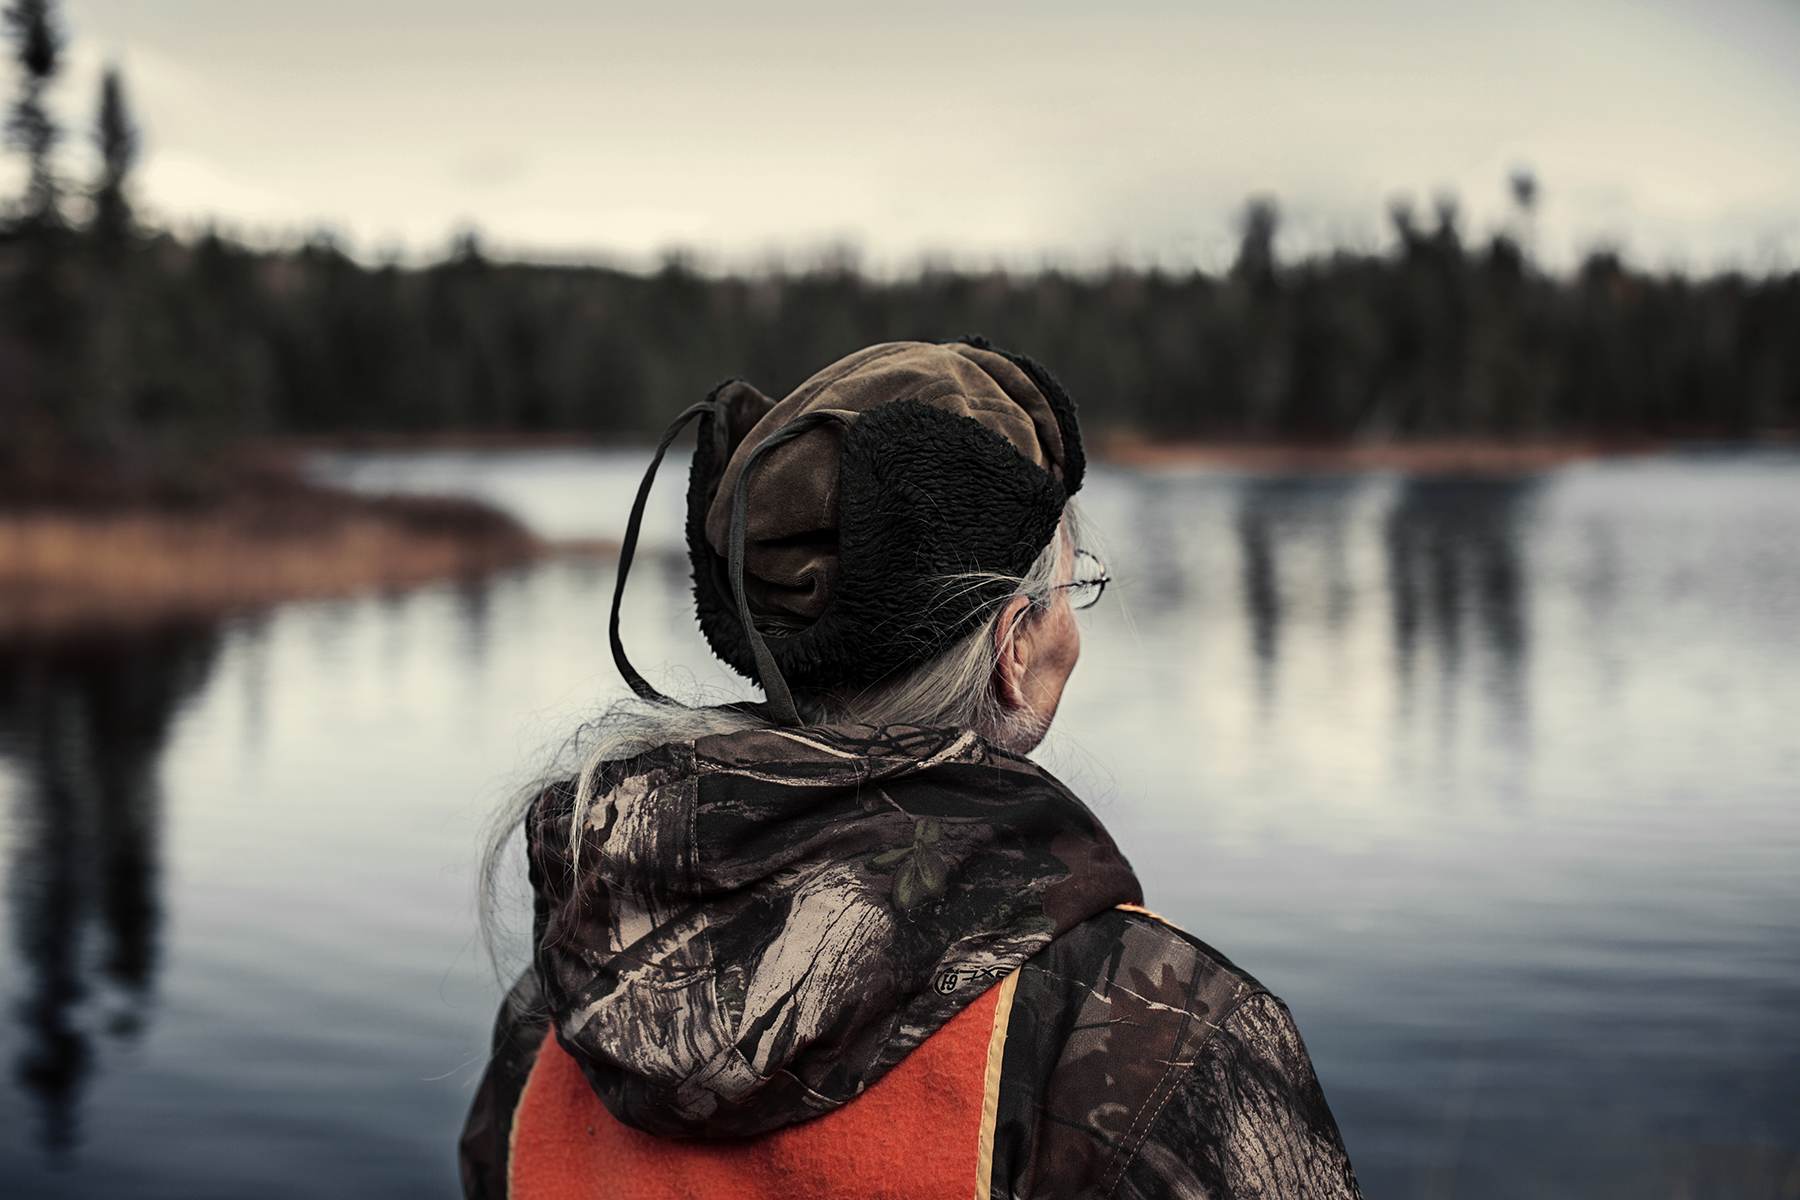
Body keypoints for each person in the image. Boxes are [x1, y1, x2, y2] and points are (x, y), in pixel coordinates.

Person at [461, 339, 1363, 1199]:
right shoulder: (1157, 1038)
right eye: (1067, 588)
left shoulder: (562, 1012)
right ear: (1013, 649)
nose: (1071, 629)